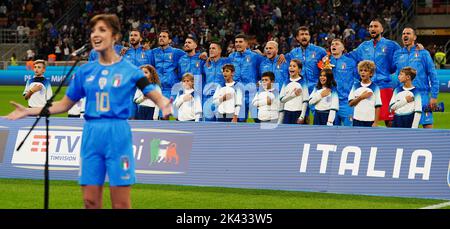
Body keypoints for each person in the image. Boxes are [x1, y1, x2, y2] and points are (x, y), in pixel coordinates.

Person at [5, 14, 172, 209]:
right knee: (90, 202)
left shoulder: (130, 70)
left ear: (115, 36)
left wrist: (163, 103)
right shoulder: (84, 71)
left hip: (118, 134)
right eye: (93, 31)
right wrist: (29, 111)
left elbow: (151, 90)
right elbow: (64, 104)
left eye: (102, 30)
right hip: (91, 135)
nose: (95, 35)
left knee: (121, 204)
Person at [347, 18, 401, 127]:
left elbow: (402, 55)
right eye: (371, 27)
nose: (372, 28)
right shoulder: (363, 46)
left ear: (382, 29)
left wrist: (415, 49)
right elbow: (350, 57)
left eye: (375, 26)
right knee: (367, 119)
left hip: (384, 87)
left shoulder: (391, 45)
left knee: (390, 121)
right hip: (368, 87)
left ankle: (392, 143)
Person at [392, 27, 439, 128]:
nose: (405, 35)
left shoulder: (423, 53)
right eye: (403, 33)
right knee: (406, 129)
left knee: (427, 126)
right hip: (404, 97)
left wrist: (434, 96)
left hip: (422, 96)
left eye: (408, 33)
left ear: (414, 37)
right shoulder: (397, 54)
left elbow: (433, 74)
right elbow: (396, 74)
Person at [285, 26, 327, 123]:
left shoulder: (320, 51)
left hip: (316, 88)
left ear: (310, 37)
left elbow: (327, 69)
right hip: (300, 89)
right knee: (301, 119)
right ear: (297, 38)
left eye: (306, 34)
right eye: (302, 34)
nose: (304, 37)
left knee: (320, 117)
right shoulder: (293, 53)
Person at [228, 34, 264, 122]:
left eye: (240, 42)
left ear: (247, 43)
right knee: (240, 120)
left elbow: (263, 70)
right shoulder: (231, 57)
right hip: (238, 93)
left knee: (258, 119)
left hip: (252, 93)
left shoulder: (255, 56)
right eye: (236, 42)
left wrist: (259, 84)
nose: (238, 44)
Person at [328, 39, 359, 126]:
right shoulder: (326, 62)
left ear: (343, 48)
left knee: (349, 130)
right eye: (332, 44)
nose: (333, 46)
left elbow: (357, 79)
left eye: (337, 44)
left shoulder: (350, 62)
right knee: (331, 131)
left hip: (346, 102)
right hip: (331, 101)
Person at [150, 30, 185, 99]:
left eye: (164, 37)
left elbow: (190, 55)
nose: (161, 38)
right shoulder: (153, 52)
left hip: (172, 89)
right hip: (157, 88)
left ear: (169, 40)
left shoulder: (176, 52)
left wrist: (201, 55)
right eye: (160, 36)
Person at [202, 41, 231, 121]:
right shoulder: (205, 65)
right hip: (208, 99)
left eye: (213, 48)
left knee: (223, 127)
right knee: (208, 126)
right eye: (210, 48)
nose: (211, 50)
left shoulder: (227, 62)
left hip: (222, 99)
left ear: (220, 50)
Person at [348, 60, 382, 127]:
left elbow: (377, 106)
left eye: (365, 71)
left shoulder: (375, 87)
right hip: (357, 120)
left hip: (370, 120)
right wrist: (361, 97)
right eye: (361, 70)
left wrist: (375, 122)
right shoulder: (355, 86)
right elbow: (351, 104)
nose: (362, 72)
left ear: (371, 73)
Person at [279, 59, 309, 124]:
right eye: (290, 66)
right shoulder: (286, 82)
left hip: (298, 113)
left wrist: (302, 116)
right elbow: (281, 100)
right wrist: (293, 95)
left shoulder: (303, 83)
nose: (291, 67)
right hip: (287, 113)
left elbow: (305, 101)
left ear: (299, 70)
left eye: (294, 66)